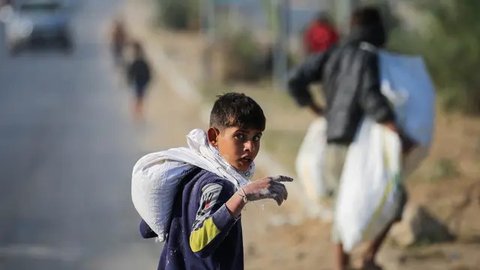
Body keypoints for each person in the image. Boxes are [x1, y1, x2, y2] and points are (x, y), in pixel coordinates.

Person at [288, 6, 413, 270]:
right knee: (396, 197)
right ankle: (367, 258)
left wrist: (317, 110)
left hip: (332, 143)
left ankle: (347, 265)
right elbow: (369, 94)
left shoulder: (331, 54)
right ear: (375, 30)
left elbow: (295, 80)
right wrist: (393, 127)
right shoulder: (366, 56)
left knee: (342, 210)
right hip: (359, 147)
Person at [137, 92, 293, 270]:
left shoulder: (190, 172)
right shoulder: (218, 185)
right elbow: (199, 243)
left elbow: (147, 228)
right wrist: (244, 195)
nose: (250, 147)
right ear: (213, 138)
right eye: (240, 136)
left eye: (256, 138)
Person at [127, 41, 151, 119]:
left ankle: (138, 113)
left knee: (139, 98)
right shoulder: (134, 60)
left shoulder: (140, 60)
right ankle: (137, 113)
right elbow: (131, 71)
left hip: (142, 81)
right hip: (137, 81)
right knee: (138, 97)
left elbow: (147, 71)